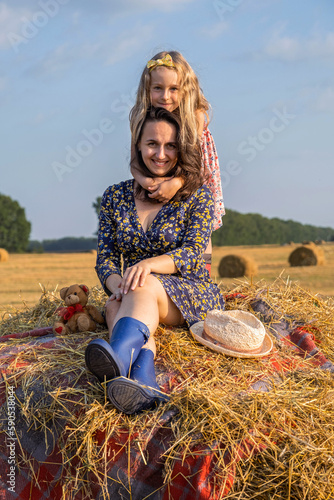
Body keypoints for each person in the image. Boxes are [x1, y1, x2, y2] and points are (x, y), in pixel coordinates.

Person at [85, 107, 225, 415]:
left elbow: (192, 252)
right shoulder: (114, 196)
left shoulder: (197, 196)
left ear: (181, 148)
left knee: (136, 291)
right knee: (113, 304)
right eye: (152, 144)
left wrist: (147, 265)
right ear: (138, 144)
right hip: (137, 291)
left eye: (170, 145)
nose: (160, 154)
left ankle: (118, 357)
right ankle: (144, 383)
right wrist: (116, 283)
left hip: (189, 291)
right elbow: (105, 258)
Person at [129, 51, 225, 274]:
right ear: (147, 89)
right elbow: (134, 162)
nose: (165, 96)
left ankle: (203, 273)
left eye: (174, 89)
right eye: (157, 88)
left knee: (199, 223)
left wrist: (175, 183)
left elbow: (195, 166)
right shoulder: (140, 117)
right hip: (158, 177)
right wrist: (146, 182)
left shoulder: (194, 116)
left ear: (186, 90)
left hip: (193, 177)